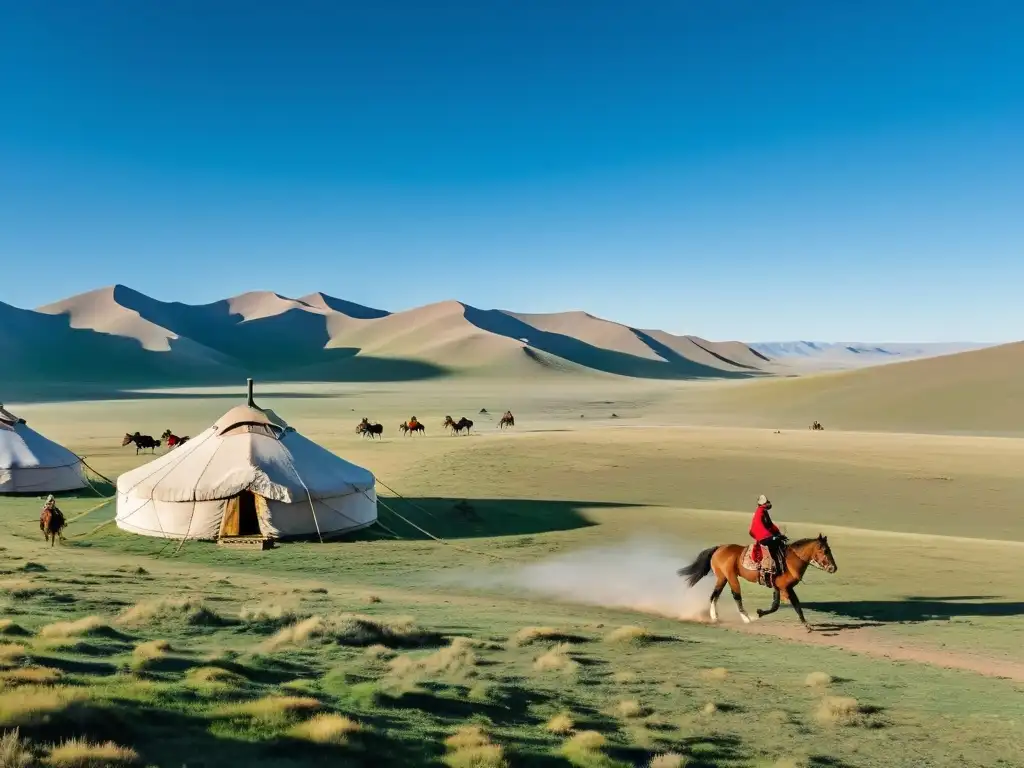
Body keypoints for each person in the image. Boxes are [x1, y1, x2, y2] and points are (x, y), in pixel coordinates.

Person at [749, 494, 787, 574]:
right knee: (774, 545)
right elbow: (759, 526)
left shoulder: (764, 511)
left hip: (765, 535)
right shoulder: (759, 512)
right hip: (762, 536)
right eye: (767, 502)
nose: (769, 504)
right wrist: (772, 537)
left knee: (781, 542)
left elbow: (770, 524)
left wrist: (778, 534)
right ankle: (775, 567)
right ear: (763, 504)